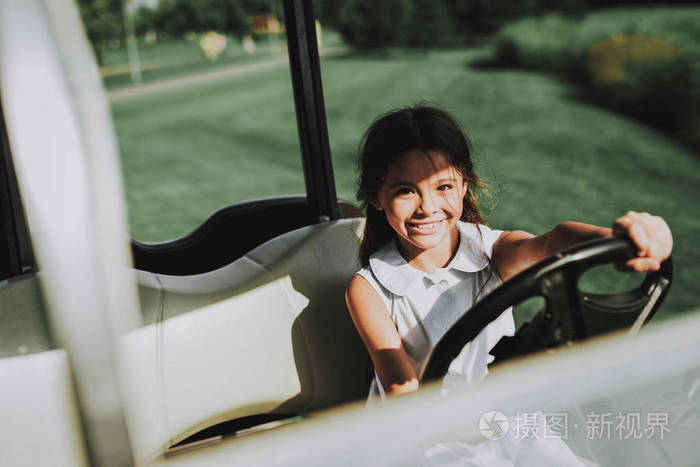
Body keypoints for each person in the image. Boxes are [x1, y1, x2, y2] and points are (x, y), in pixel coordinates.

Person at [345, 104, 673, 401]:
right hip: (426, 435)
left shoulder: (493, 251)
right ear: (376, 197)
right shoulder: (369, 289)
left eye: (443, 187)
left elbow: (552, 242)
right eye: (405, 191)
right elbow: (401, 388)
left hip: (507, 421)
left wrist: (624, 238)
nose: (427, 207)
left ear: (464, 186)